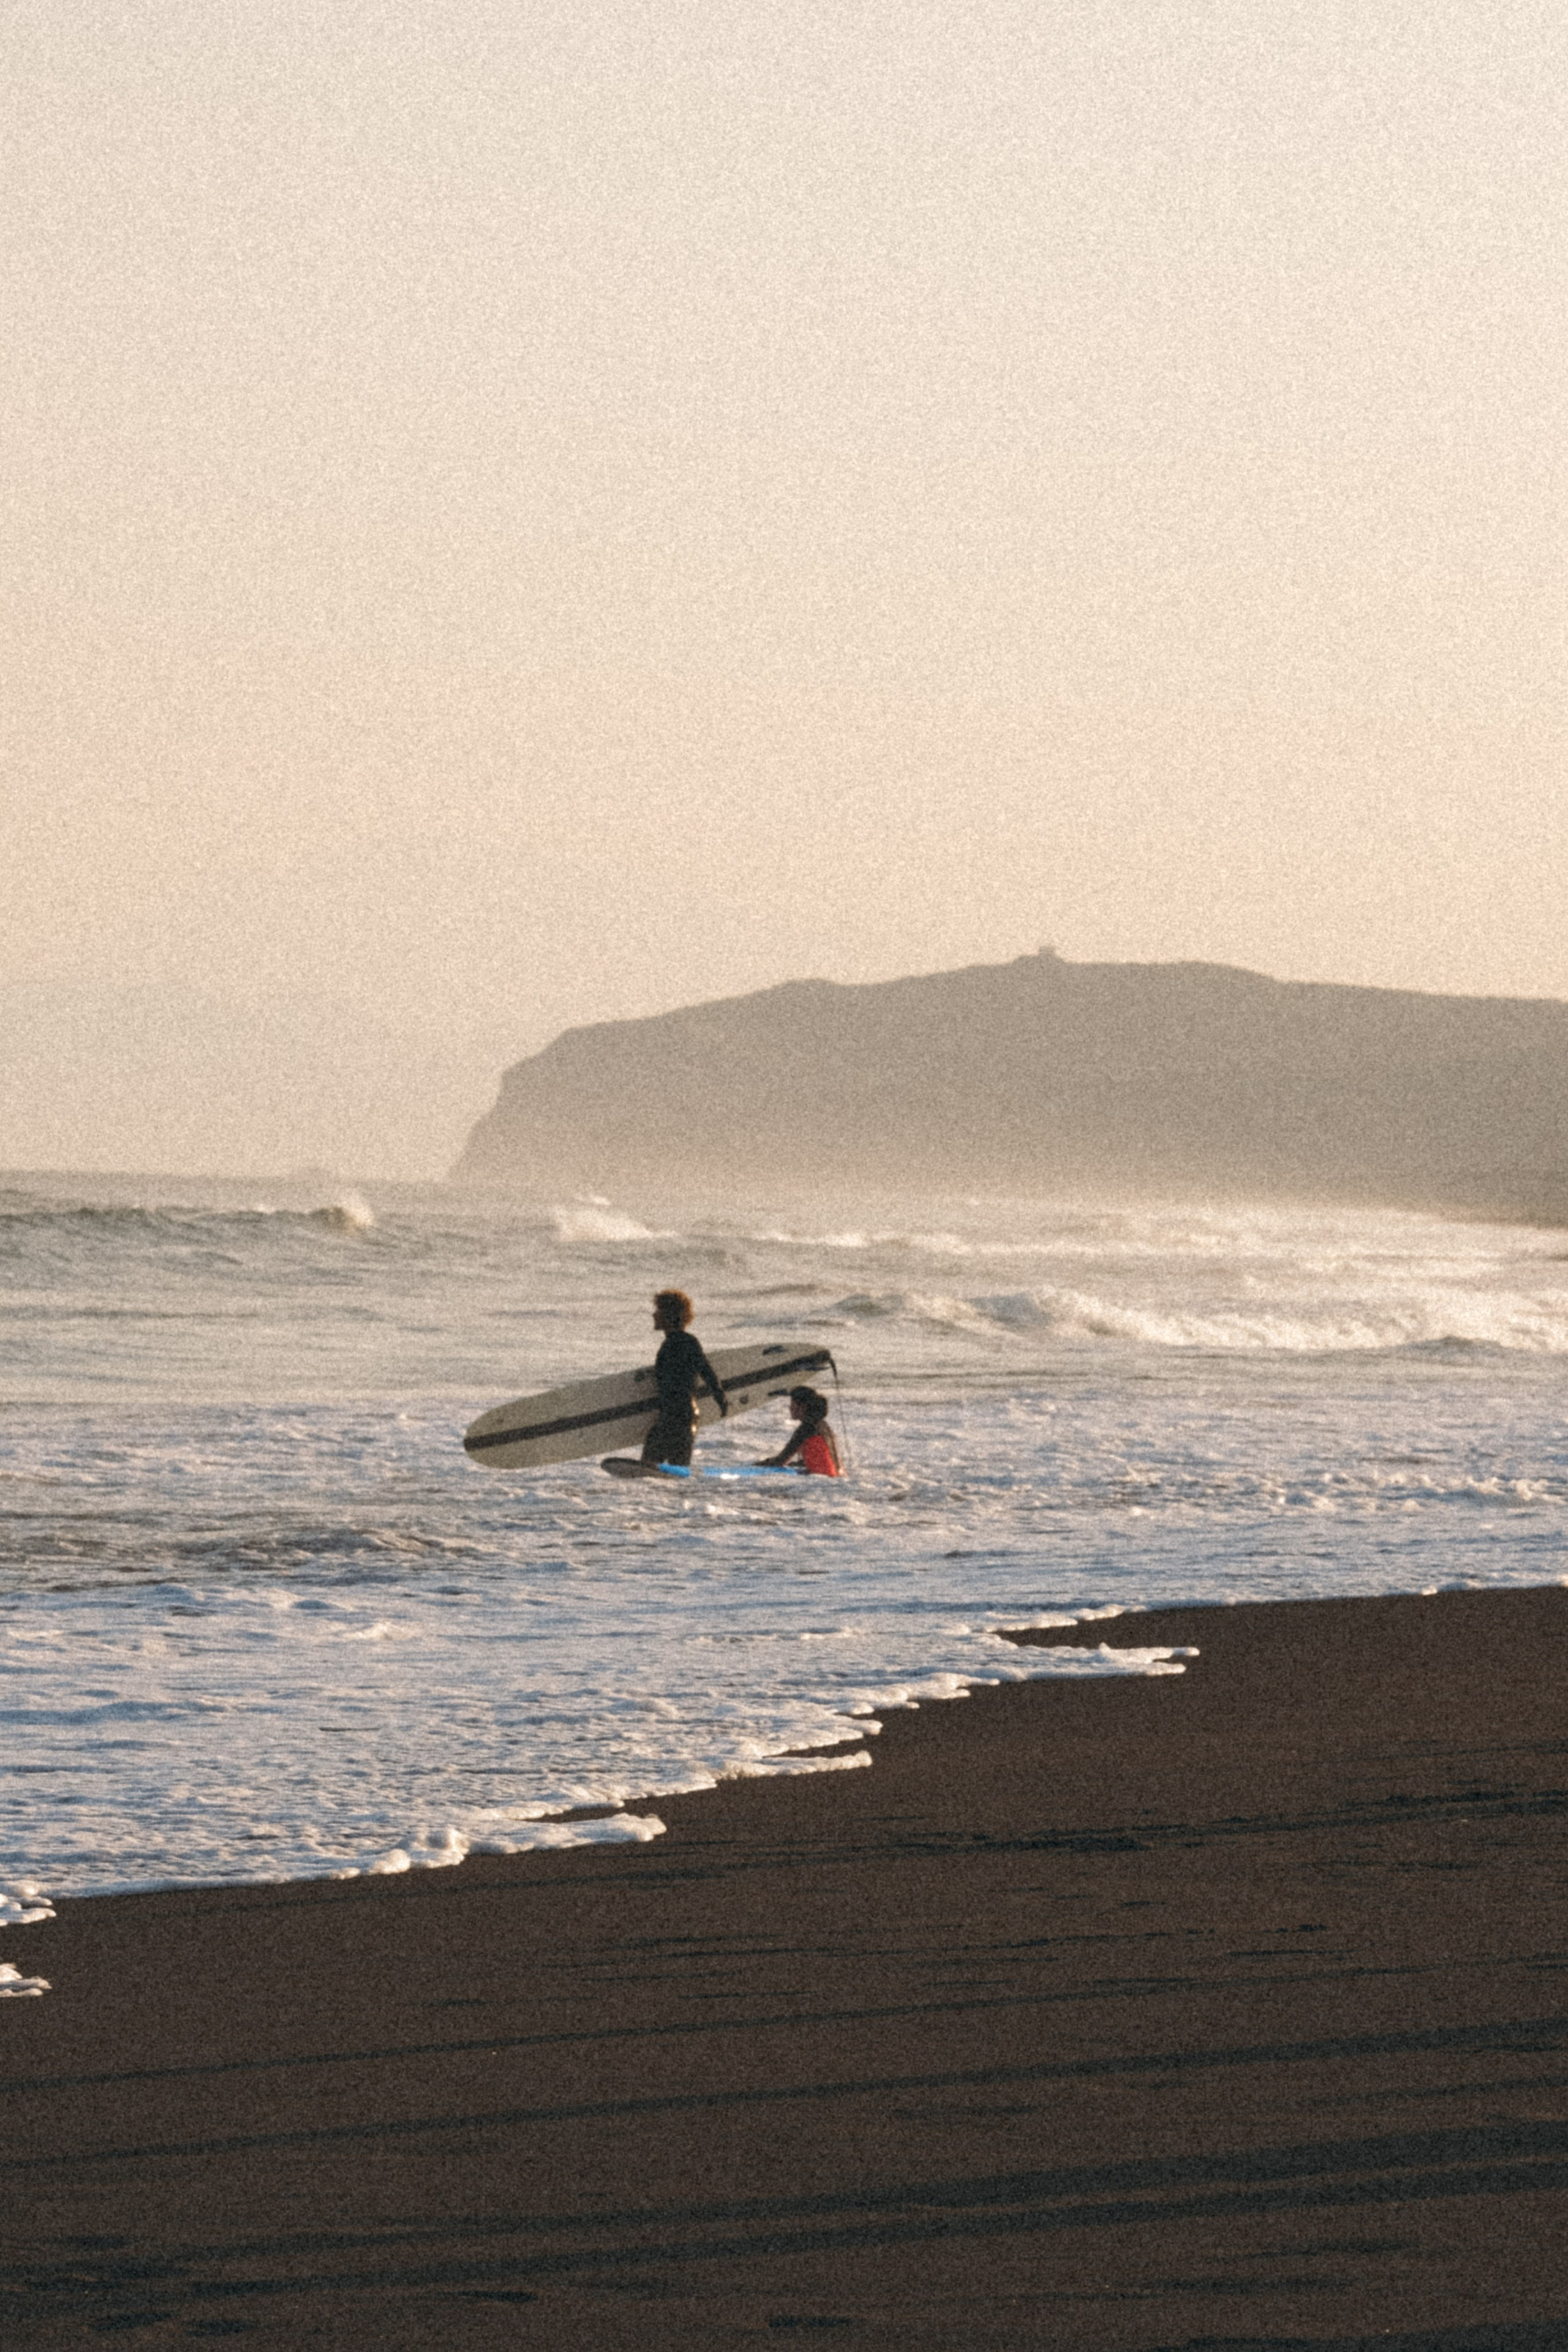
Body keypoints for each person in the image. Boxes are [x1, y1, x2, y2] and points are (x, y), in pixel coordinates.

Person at [641, 1289, 728, 1468]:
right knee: (673, 1471)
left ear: (669, 1315)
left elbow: (707, 1372)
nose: (654, 1315)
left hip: (678, 1418)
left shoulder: (683, 1342)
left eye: (658, 1310)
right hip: (678, 1417)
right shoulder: (677, 1342)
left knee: (651, 1468)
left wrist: (721, 1399)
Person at [757, 1385, 843, 1476]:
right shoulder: (824, 1426)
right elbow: (819, 1459)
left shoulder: (806, 1429)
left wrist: (757, 1465)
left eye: (792, 1404)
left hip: (821, 1481)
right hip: (836, 1478)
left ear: (803, 1407)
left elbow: (781, 1461)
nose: (790, 1408)